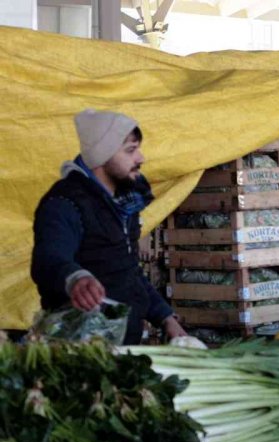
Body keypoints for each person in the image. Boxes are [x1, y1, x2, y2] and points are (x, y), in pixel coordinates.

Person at [31, 109, 186, 345]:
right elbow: (48, 259)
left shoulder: (123, 203)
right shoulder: (65, 203)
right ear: (103, 156)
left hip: (123, 343)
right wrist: (75, 279)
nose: (141, 158)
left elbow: (128, 270)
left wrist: (165, 317)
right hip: (82, 349)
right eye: (130, 150)